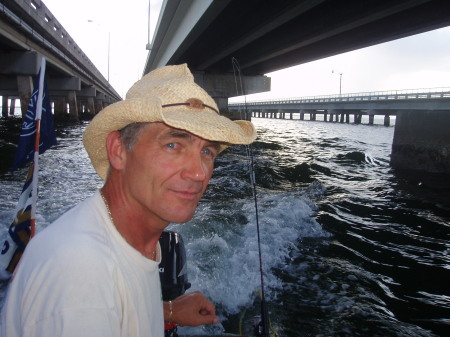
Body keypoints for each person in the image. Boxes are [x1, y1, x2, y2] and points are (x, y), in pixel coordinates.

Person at [1, 64, 257, 336]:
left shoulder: (126, 243)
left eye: (207, 151)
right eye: (173, 145)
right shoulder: (80, 271)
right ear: (118, 150)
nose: (198, 172)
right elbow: (85, 306)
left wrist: (167, 310)